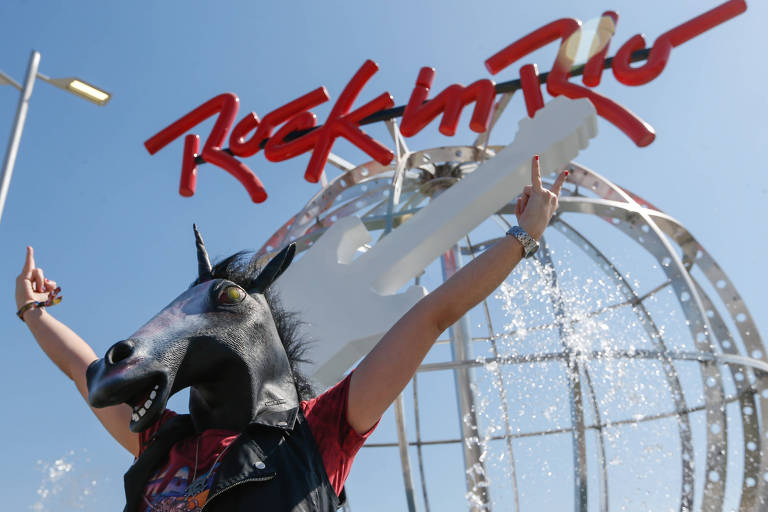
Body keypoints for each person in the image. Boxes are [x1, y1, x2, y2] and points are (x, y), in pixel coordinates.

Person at [16, 155, 566, 511]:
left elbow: (430, 317)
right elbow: (83, 369)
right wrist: (33, 311)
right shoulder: (164, 445)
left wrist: (523, 236)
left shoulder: (320, 431)